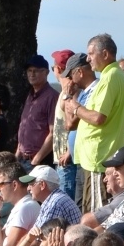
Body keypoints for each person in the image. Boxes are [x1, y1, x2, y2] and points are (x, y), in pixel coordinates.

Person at [69, 34, 124, 211]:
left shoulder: (110, 77)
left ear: (105, 54)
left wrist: (75, 107)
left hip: (101, 159)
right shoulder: (115, 76)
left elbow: (98, 117)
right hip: (102, 158)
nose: (87, 58)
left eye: (91, 53)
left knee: (99, 215)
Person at [50, 50, 82, 198]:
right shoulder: (64, 90)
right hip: (61, 157)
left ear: (59, 69)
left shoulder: (72, 89)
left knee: (65, 199)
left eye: (53, 68)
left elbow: (76, 122)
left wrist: (69, 151)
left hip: (67, 159)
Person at [17, 54, 58, 164]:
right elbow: (24, 127)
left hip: (40, 160)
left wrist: (37, 159)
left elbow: (53, 132)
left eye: (36, 71)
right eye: (29, 71)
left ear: (46, 72)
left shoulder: (52, 96)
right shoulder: (30, 95)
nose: (32, 74)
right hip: (23, 159)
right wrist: (17, 155)